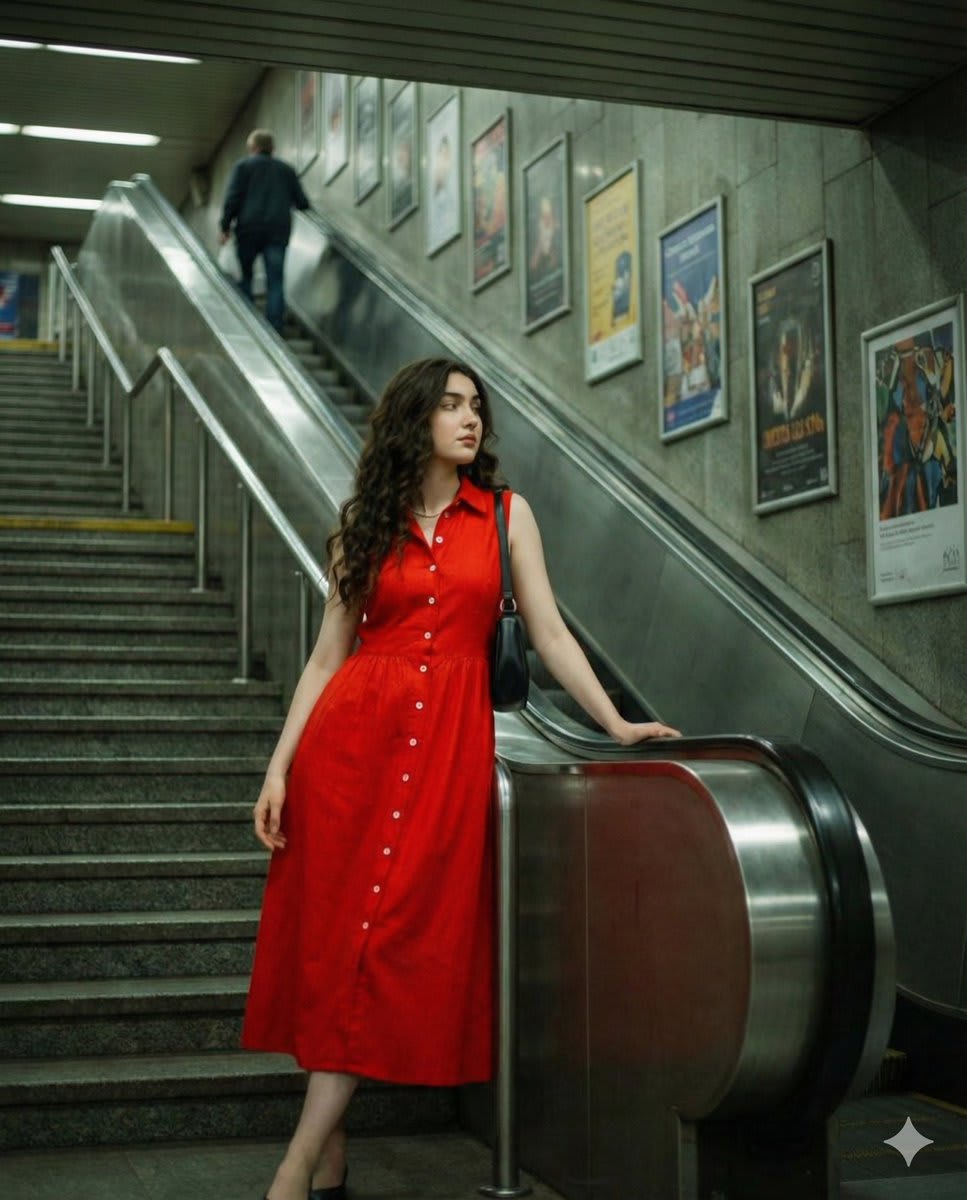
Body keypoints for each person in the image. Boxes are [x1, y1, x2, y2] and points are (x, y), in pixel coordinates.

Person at [242, 357, 681, 1200]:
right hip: (349, 753)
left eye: (475, 405)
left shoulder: (508, 515)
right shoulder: (363, 528)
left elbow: (548, 636)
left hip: (445, 755)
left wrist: (615, 722)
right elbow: (328, 657)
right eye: (449, 405)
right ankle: (309, 1164)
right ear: (414, 421)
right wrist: (279, 765)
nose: (469, 418)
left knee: (389, 937)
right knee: (341, 949)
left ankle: (307, 1162)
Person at [218, 129, 309, 334]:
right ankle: (275, 328)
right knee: (275, 280)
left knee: (246, 277)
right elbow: (303, 203)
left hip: (248, 230)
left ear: (253, 148)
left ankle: (248, 324)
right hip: (278, 232)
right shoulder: (286, 170)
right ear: (272, 149)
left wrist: (224, 227)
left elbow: (233, 198)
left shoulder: (243, 167)